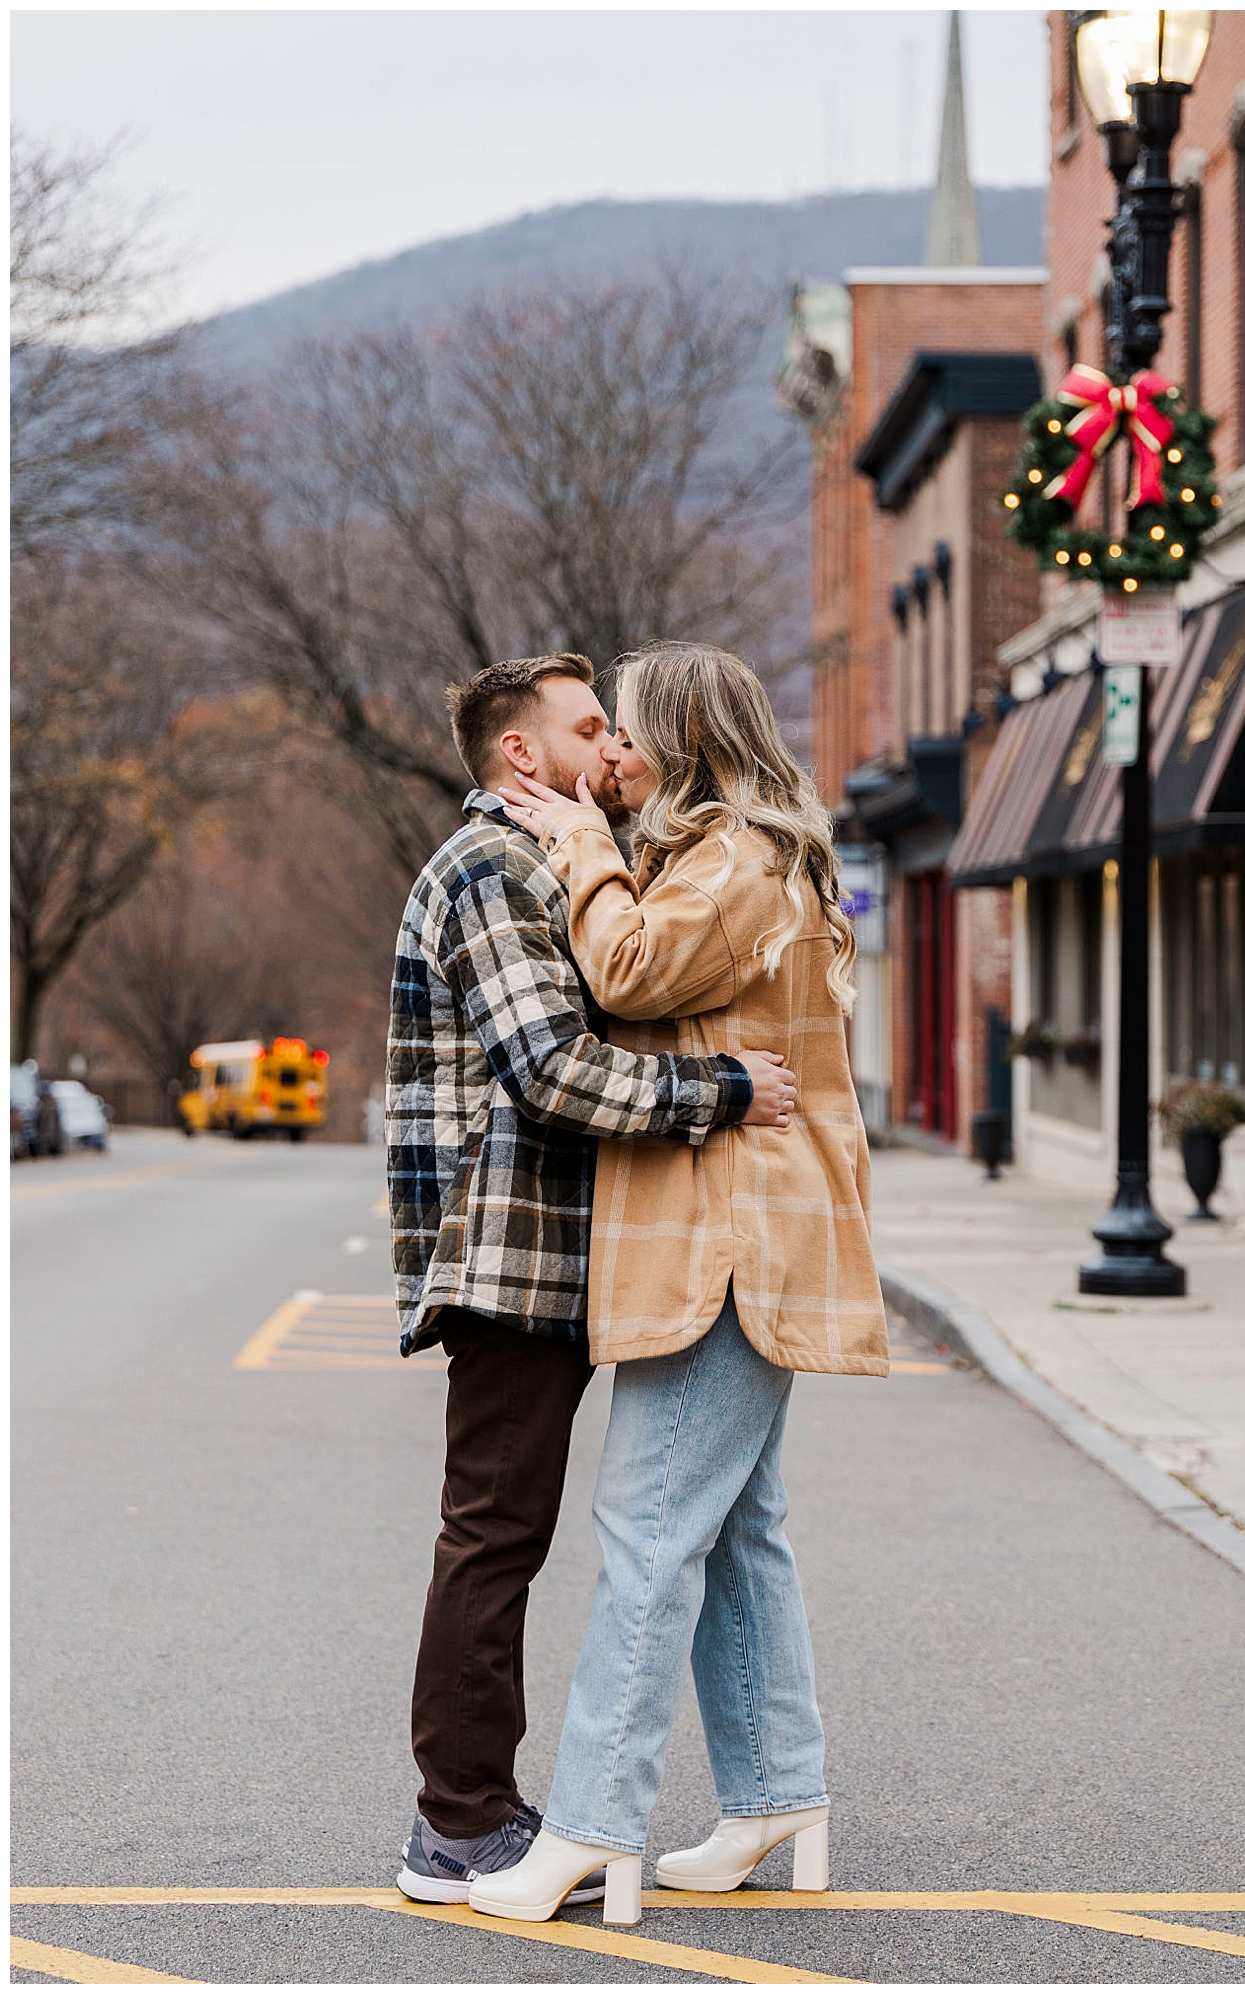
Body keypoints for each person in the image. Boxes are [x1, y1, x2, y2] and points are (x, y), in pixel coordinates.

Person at [467, 641, 888, 1926]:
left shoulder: (742, 858)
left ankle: (589, 1827)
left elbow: (629, 972)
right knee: (735, 1536)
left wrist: (582, 846)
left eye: (629, 730)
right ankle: (775, 1793)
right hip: (714, 1238)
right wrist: (606, 843)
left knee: (646, 1537)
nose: (611, 755)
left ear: (683, 736)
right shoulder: (716, 853)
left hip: (727, 1245)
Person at [387, 651, 798, 1907]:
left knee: (692, 1525)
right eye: (586, 727)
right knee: (495, 1535)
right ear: (524, 754)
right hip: (509, 1257)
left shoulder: (552, 862)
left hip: (568, 1255)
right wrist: (723, 1090)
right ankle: (457, 1825)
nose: (609, 747)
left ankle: (761, 1788)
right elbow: (552, 1068)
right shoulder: (493, 869)